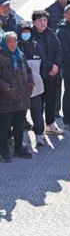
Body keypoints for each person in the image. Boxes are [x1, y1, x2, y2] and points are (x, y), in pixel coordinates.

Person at [0, 31, 33, 161]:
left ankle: (19, 147)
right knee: (5, 126)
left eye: (15, 41)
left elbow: (28, 70)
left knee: (20, 125)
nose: (13, 44)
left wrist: (30, 82)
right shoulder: (1, 56)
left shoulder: (20, 55)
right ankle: (4, 150)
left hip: (22, 97)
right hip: (7, 99)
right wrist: (8, 88)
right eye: (10, 42)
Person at [31, 10, 63, 136]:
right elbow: (36, 55)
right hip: (38, 74)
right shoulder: (31, 36)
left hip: (52, 74)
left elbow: (58, 51)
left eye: (44, 20)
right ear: (34, 22)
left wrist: (56, 65)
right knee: (38, 103)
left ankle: (50, 123)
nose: (42, 23)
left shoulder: (51, 34)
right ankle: (38, 127)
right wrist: (50, 66)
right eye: (39, 20)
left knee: (51, 99)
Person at [19, 22, 46, 147]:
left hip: (36, 86)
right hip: (20, 88)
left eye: (28, 31)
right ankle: (19, 140)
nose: (26, 33)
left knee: (37, 112)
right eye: (23, 31)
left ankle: (39, 136)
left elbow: (43, 64)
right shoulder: (16, 47)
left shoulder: (36, 46)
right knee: (19, 116)